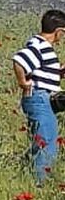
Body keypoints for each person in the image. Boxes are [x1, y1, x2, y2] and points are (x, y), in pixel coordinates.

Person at [13, 10, 65, 183]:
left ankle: (25, 169)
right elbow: (20, 60)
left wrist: (58, 72)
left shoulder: (39, 44)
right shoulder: (40, 46)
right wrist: (22, 82)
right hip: (39, 98)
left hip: (41, 98)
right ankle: (39, 182)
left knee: (42, 139)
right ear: (58, 31)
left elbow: (38, 69)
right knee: (47, 142)